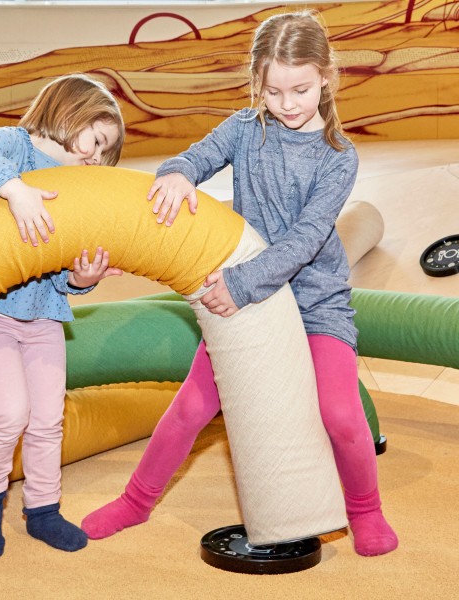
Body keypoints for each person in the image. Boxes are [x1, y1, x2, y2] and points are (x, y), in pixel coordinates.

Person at [81, 11, 398, 557]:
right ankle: (136, 502)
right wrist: (177, 172)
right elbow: (192, 158)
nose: (288, 103)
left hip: (312, 303)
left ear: (326, 76)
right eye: (273, 91)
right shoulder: (243, 129)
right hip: (251, 304)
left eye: (300, 89)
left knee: (342, 415)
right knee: (191, 407)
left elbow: (304, 240)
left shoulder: (338, 157)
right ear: (257, 83)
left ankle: (365, 509)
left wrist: (242, 282)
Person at [0, 74, 125, 557]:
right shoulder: (15, 146)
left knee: (49, 418)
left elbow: (58, 270)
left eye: (104, 152)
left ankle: (43, 510)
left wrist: (84, 279)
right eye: (96, 141)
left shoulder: (72, 185)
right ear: (70, 111)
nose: (95, 156)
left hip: (46, 316)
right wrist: (15, 189)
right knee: (9, 412)